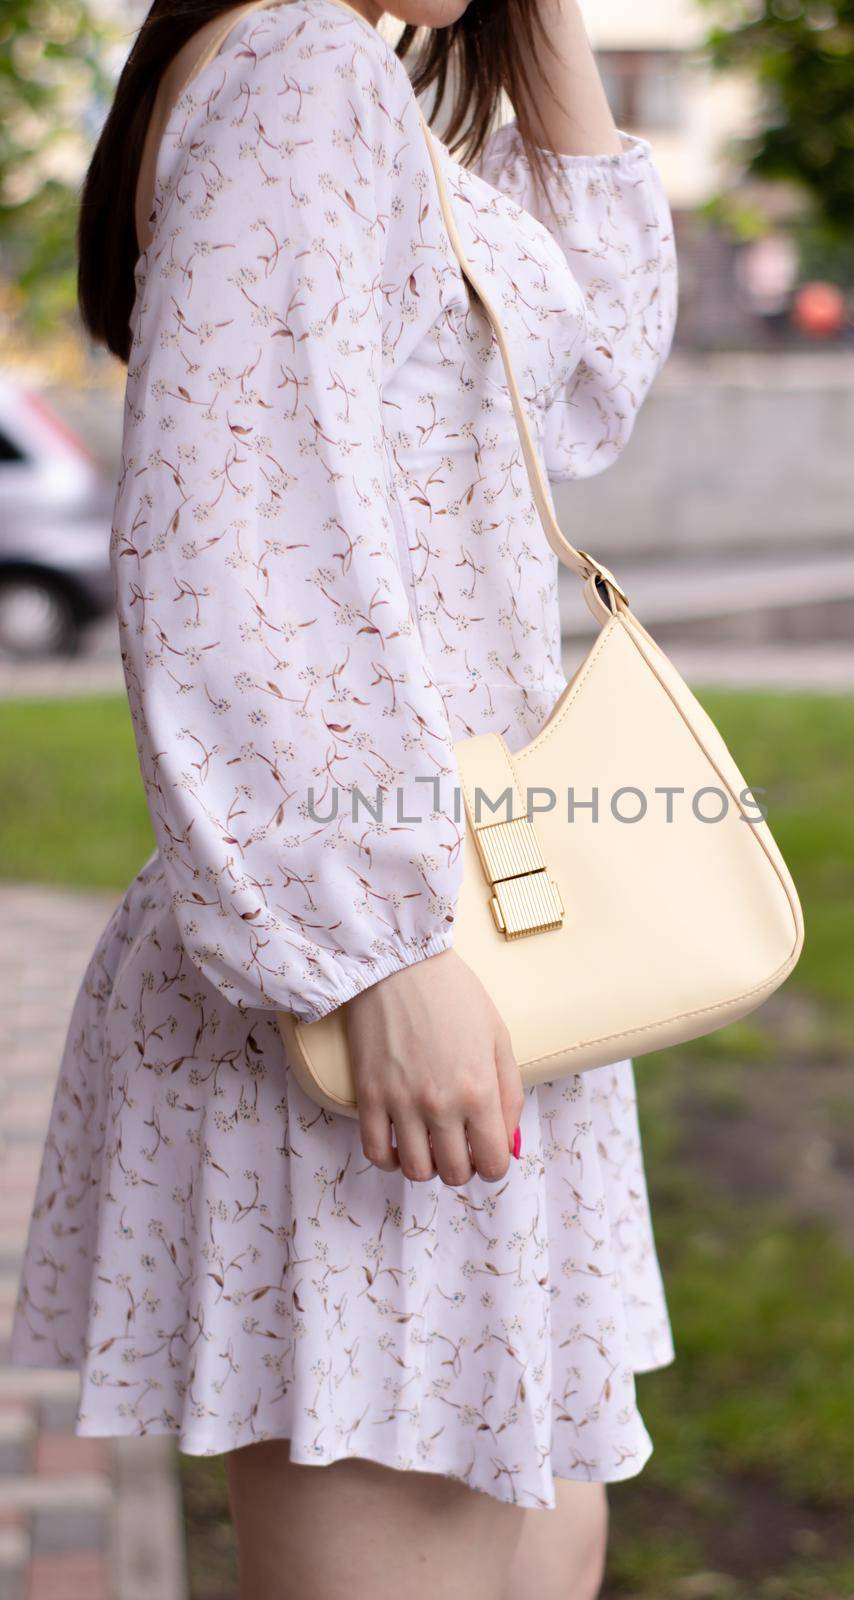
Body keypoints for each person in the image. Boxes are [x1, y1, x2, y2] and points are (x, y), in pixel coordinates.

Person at [10, 1, 679, 1596]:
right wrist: (376, 956)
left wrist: (546, 27)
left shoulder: (355, 87)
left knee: (529, 1549)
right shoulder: (298, 64)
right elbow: (228, 557)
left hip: (477, 959)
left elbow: (587, 379)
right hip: (389, 976)